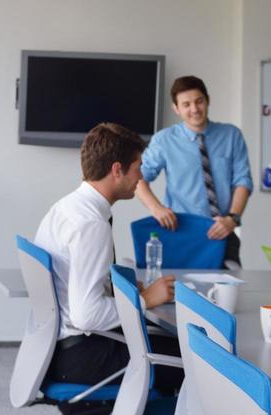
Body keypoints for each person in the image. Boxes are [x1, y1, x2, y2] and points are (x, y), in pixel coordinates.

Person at [36, 122, 180, 394]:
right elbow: (87, 315)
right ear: (117, 170)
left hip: (57, 346)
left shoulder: (67, 206)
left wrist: (124, 295)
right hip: (80, 354)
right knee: (189, 362)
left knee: (165, 342)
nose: (141, 177)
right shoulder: (92, 224)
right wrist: (146, 299)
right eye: (137, 167)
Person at [135, 75, 253, 265]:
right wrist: (156, 209)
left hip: (221, 230)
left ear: (207, 100)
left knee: (228, 292)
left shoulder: (231, 135)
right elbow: (138, 179)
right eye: (186, 104)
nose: (194, 109)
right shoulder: (164, 140)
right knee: (181, 292)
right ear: (176, 108)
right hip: (181, 233)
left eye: (199, 101)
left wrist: (232, 219)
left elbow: (242, 181)